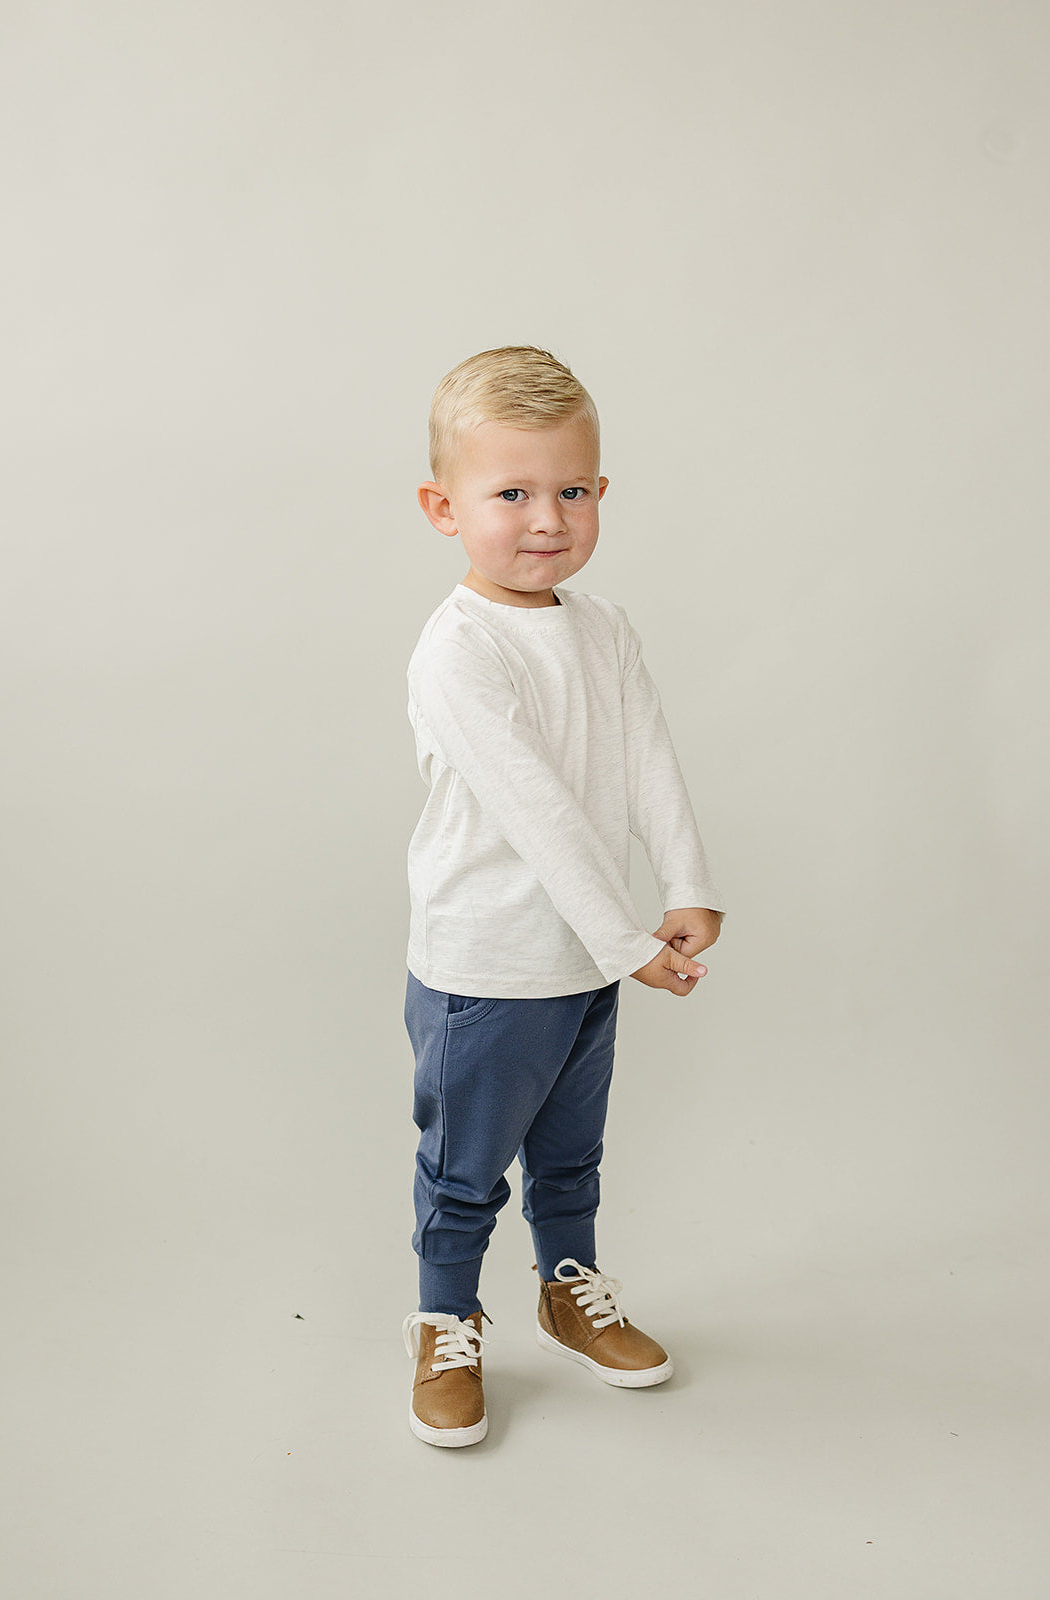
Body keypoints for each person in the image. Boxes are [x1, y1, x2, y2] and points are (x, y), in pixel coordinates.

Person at [400, 346, 725, 1447]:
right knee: (464, 1170)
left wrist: (682, 883)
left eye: (571, 489)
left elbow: (644, 757)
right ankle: (444, 1317)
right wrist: (626, 936)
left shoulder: (601, 628)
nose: (547, 519)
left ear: (598, 492)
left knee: (570, 1153)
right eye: (511, 493)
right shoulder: (458, 651)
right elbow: (536, 811)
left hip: (588, 961)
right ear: (443, 506)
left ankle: (565, 1288)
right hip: (488, 966)